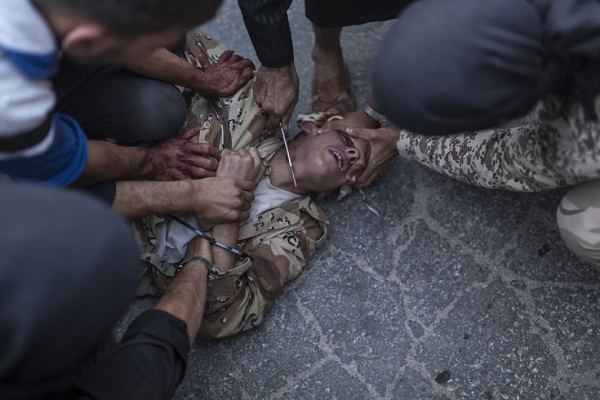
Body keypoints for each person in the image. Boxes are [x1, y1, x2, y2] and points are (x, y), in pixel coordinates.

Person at [0, 1, 253, 398]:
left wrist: (203, 80)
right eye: (149, 47)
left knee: (158, 109)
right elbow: (74, 170)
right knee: (91, 244)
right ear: (84, 40)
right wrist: (155, 166)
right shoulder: (9, 99)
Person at [129, 33, 374, 338]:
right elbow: (171, 36)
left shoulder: (302, 228)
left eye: (356, 168)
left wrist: (228, 214)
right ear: (312, 126)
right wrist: (197, 81)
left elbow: (226, 315)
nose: (352, 155)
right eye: (347, 140)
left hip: (121, 259)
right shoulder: (255, 102)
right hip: (111, 177)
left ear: (330, 191)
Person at [339, 0, 600, 267]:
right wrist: (370, 111)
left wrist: (403, 142)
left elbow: (508, 161)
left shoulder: (581, 133)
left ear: (502, 116)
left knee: (583, 226)